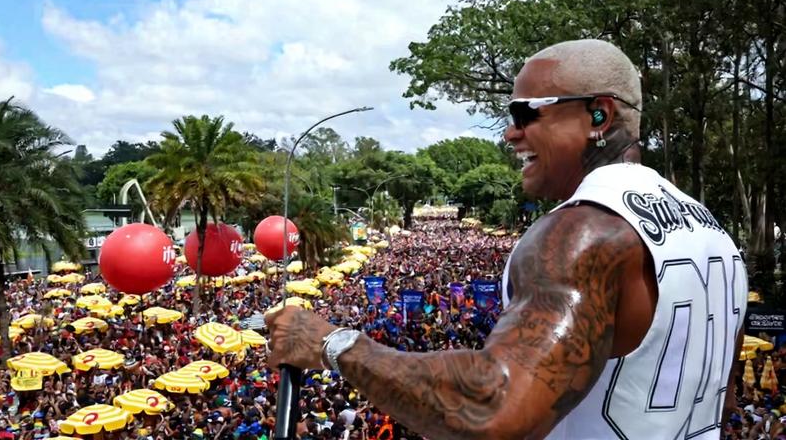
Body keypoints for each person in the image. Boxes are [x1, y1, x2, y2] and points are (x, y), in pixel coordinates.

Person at [266, 39, 748, 439]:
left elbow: (495, 407)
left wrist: (333, 344)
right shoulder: (714, 233)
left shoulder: (581, 231)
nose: (509, 133)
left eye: (525, 113)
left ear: (598, 116)